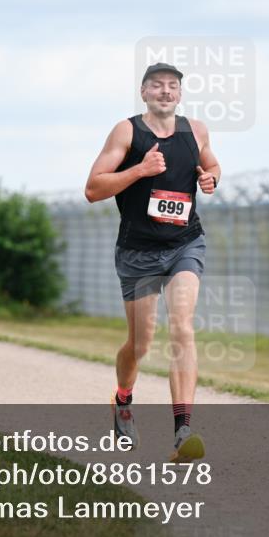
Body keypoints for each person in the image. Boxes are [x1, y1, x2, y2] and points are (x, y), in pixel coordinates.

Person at [84, 62, 221, 462]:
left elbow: (211, 164)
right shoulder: (127, 131)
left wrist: (211, 179)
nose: (165, 92)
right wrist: (141, 170)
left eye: (172, 87)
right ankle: (123, 399)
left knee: (182, 324)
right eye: (157, 86)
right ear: (143, 92)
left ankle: (183, 432)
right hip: (138, 250)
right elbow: (93, 188)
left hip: (184, 242)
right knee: (140, 343)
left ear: (180, 94)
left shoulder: (195, 130)